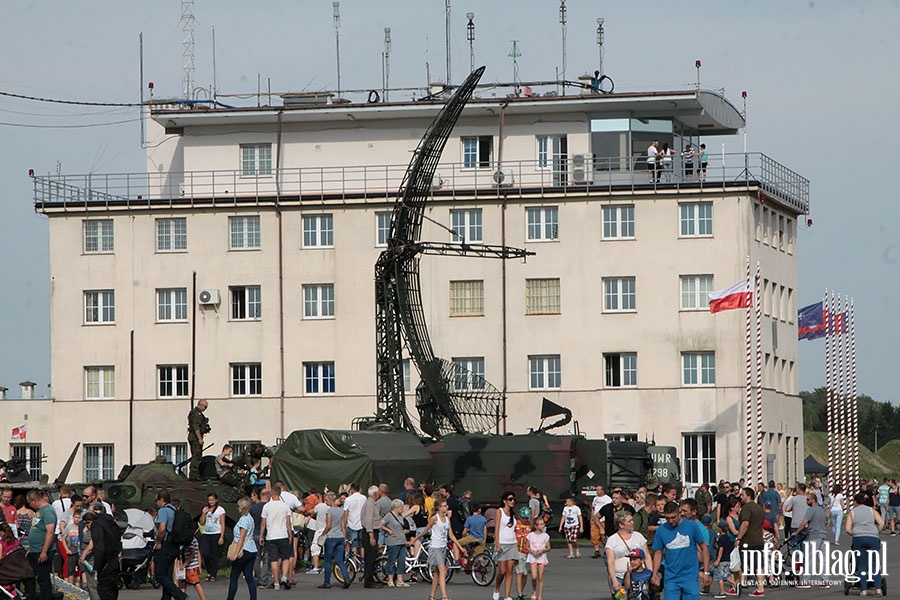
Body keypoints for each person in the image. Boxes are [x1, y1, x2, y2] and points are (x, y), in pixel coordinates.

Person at [651, 501, 711, 600]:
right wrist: (654, 573)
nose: (670, 521)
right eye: (667, 518)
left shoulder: (691, 526)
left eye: (673, 517)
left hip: (690, 577)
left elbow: (704, 547)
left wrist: (706, 572)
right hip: (671, 577)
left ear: (679, 513)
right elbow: (658, 552)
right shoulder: (661, 530)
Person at [409, 499, 462, 600]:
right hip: (435, 547)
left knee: (437, 573)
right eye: (444, 506)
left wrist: (460, 546)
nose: (446, 507)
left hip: (443, 547)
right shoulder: (434, 518)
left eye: (446, 506)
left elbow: (451, 535)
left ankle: (432, 595)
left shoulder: (447, 519)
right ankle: (444, 596)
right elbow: (425, 531)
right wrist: (414, 540)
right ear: (438, 508)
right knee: (443, 570)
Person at [846, 491, 884, 596]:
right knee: (874, 564)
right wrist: (877, 531)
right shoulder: (872, 510)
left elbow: (848, 529)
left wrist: (855, 533)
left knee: (861, 564)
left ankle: (863, 590)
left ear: (855, 501)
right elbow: (881, 523)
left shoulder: (852, 512)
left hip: (859, 537)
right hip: (872, 537)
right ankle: (878, 589)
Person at [605, 511, 652, 598]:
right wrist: (614, 580)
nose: (633, 522)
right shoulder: (612, 540)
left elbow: (647, 556)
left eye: (632, 520)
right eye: (629, 521)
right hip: (620, 577)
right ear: (621, 525)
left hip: (638, 577)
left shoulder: (638, 536)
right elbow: (610, 562)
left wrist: (650, 573)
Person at [154, 491, 188, 600]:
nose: (156, 503)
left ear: (162, 500)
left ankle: (180, 595)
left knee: (159, 575)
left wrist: (159, 542)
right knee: (167, 576)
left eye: (157, 500)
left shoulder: (163, 511)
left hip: (165, 545)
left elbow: (162, 528)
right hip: (174, 545)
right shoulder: (174, 510)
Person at [791, 490, 827, 590]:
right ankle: (825, 580)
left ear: (812, 500)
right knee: (823, 559)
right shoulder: (820, 510)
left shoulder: (811, 510)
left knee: (810, 559)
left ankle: (806, 580)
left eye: (808, 500)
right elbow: (819, 523)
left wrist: (797, 531)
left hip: (814, 537)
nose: (806, 501)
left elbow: (804, 522)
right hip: (823, 535)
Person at [259, 483, 293, 590]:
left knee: (273, 559)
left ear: (272, 494)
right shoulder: (285, 506)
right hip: (283, 534)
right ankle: (284, 576)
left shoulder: (267, 507)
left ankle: (276, 583)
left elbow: (263, 523)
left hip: (271, 535)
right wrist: (290, 534)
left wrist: (261, 536)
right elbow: (288, 523)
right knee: (285, 557)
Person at [24, 490, 56, 600]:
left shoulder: (48, 511)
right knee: (30, 577)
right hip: (34, 549)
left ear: (34, 500)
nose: (30, 506)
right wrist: (30, 548)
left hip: (42, 550)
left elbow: (50, 532)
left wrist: (44, 551)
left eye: (30, 503)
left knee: (43, 578)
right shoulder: (40, 511)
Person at [318, 492, 351, 589]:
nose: (325, 502)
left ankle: (327, 582)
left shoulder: (329, 511)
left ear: (331, 500)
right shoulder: (341, 511)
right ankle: (346, 578)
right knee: (340, 560)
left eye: (326, 500)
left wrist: (322, 534)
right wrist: (344, 538)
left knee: (328, 560)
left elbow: (328, 526)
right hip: (340, 536)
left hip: (331, 537)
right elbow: (343, 525)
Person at [226, 497, 257, 600]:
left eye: (239, 506)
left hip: (245, 550)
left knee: (234, 576)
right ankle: (253, 598)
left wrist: (236, 553)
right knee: (249, 576)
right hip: (252, 549)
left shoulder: (243, 520)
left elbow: (242, 537)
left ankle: (230, 598)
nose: (237, 508)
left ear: (243, 507)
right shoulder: (250, 518)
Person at [493, 492, 519, 600]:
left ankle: (507, 595)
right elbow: (497, 528)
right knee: (502, 571)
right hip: (502, 543)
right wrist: (497, 542)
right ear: (505, 501)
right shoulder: (499, 512)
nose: (512, 501)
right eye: (510, 499)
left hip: (512, 543)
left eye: (513, 499)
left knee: (510, 571)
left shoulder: (513, 514)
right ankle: (497, 588)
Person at [380, 499, 409, 587]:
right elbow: (380, 524)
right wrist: (388, 530)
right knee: (391, 561)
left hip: (402, 540)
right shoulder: (389, 516)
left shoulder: (401, 516)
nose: (402, 509)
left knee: (401, 561)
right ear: (397, 507)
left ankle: (400, 580)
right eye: (401, 507)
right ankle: (390, 579)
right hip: (393, 541)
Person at [360, 485, 384, 588]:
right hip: (370, 532)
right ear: (375, 494)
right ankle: (368, 581)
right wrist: (371, 536)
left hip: (371, 532)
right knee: (370, 557)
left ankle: (370, 577)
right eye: (378, 493)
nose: (379, 495)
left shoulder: (369, 503)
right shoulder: (370, 504)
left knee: (371, 557)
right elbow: (368, 520)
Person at [198, 493, 225, 582]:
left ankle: (213, 574)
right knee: (206, 554)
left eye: (212, 500)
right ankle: (209, 571)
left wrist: (221, 537)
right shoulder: (205, 509)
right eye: (209, 500)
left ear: (216, 500)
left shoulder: (220, 510)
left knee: (214, 555)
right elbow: (201, 522)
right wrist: (204, 514)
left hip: (216, 533)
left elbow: (223, 524)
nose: (211, 502)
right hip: (206, 533)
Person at [525, 517, 550, 600]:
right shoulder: (531, 535)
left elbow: (548, 548)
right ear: (536, 526)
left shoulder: (545, 536)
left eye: (543, 523)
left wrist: (542, 550)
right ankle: (534, 590)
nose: (543, 525)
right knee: (534, 577)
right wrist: (532, 551)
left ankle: (540, 595)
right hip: (533, 557)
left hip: (541, 557)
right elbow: (527, 546)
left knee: (540, 577)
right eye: (541, 524)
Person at [712, 521, 737, 599]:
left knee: (720, 577)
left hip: (722, 560)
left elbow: (721, 549)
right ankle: (735, 586)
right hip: (728, 559)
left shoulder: (721, 539)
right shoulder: (728, 538)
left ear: (720, 529)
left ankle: (722, 592)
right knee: (727, 574)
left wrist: (717, 560)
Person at [176, 532, 206, 600]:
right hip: (188, 567)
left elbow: (192, 553)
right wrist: (199, 565)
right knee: (183, 584)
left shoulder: (190, 540)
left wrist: (184, 565)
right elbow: (198, 552)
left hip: (191, 566)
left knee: (196, 584)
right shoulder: (193, 539)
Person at [187, 399, 210, 480]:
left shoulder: (196, 413)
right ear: (200, 405)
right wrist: (200, 438)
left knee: (196, 455)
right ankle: (194, 475)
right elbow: (196, 427)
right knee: (197, 456)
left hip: (193, 436)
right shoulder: (197, 414)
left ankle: (195, 474)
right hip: (195, 437)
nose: (205, 408)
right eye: (205, 406)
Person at [342, 483, 366, 557]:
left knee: (353, 546)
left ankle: (354, 564)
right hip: (362, 524)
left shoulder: (348, 499)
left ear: (352, 489)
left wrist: (343, 525)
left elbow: (346, 513)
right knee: (362, 546)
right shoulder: (364, 498)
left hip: (352, 524)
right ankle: (362, 565)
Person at [590, 485, 612, 558]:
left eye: (598, 490)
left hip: (603, 520)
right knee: (594, 536)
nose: (597, 491)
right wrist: (591, 518)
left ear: (602, 490)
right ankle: (596, 550)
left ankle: (606, 550)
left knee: (603, 536)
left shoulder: (607, 499)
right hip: (595, 521)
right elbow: (593, 509)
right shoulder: (595, 499)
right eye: (596, 490)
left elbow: (609, 509)